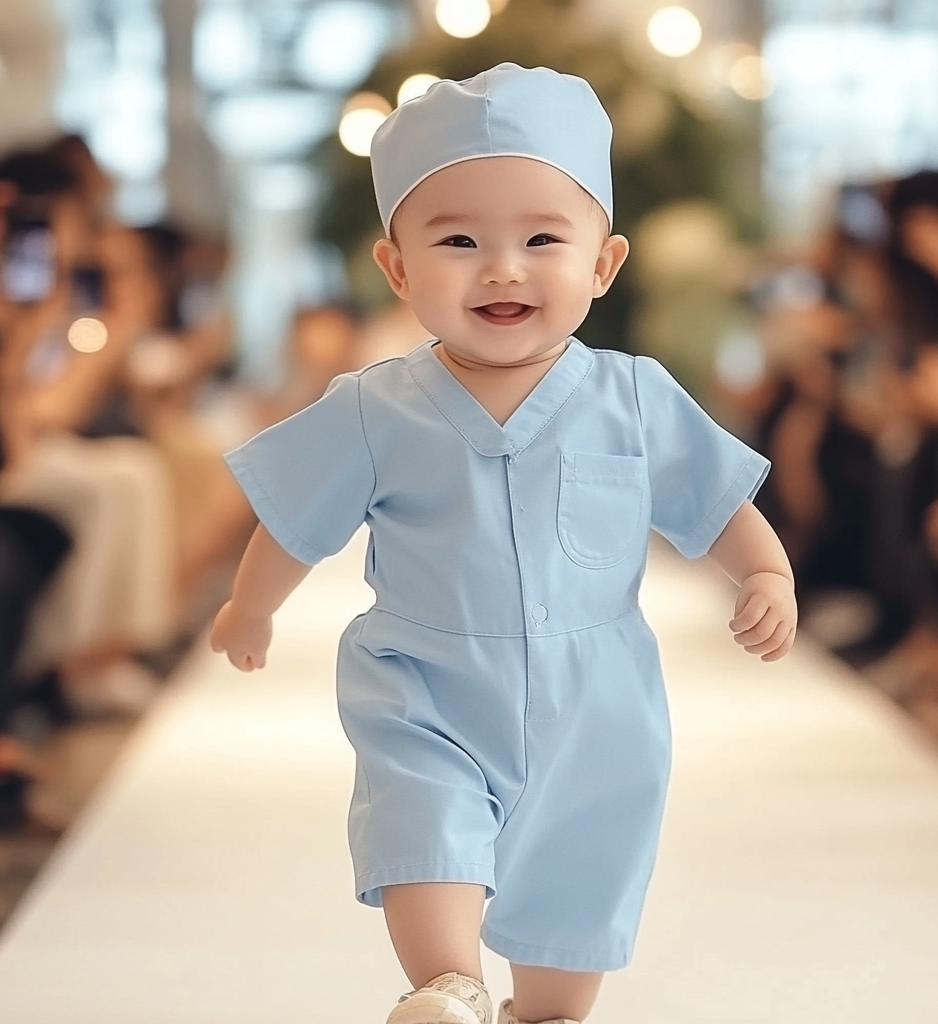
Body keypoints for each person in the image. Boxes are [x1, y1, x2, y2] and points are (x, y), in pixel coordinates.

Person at [210, 65, 797, 1024]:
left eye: (540, 239)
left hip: (597, 700)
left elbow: (714, 499)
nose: (503, 267)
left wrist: (765, 569)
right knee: (425, 820)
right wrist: (252, 607)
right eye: (457, 241)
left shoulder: (635, 396)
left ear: (603, 266)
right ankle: (447, 986)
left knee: (580, 884)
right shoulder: (372, 406)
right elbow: (292, 519)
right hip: (425, 677)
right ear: (397, 268)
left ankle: (545, 1010)